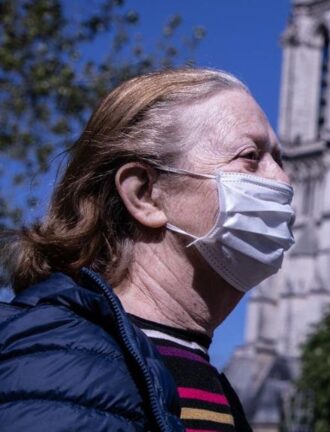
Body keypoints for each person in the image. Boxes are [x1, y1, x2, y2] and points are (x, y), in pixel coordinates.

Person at [0, 68, 295, 431]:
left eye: (279, 161)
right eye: (250, 156)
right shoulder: (57, 362)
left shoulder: (199, 374)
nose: (283, 180)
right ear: (145, 195)